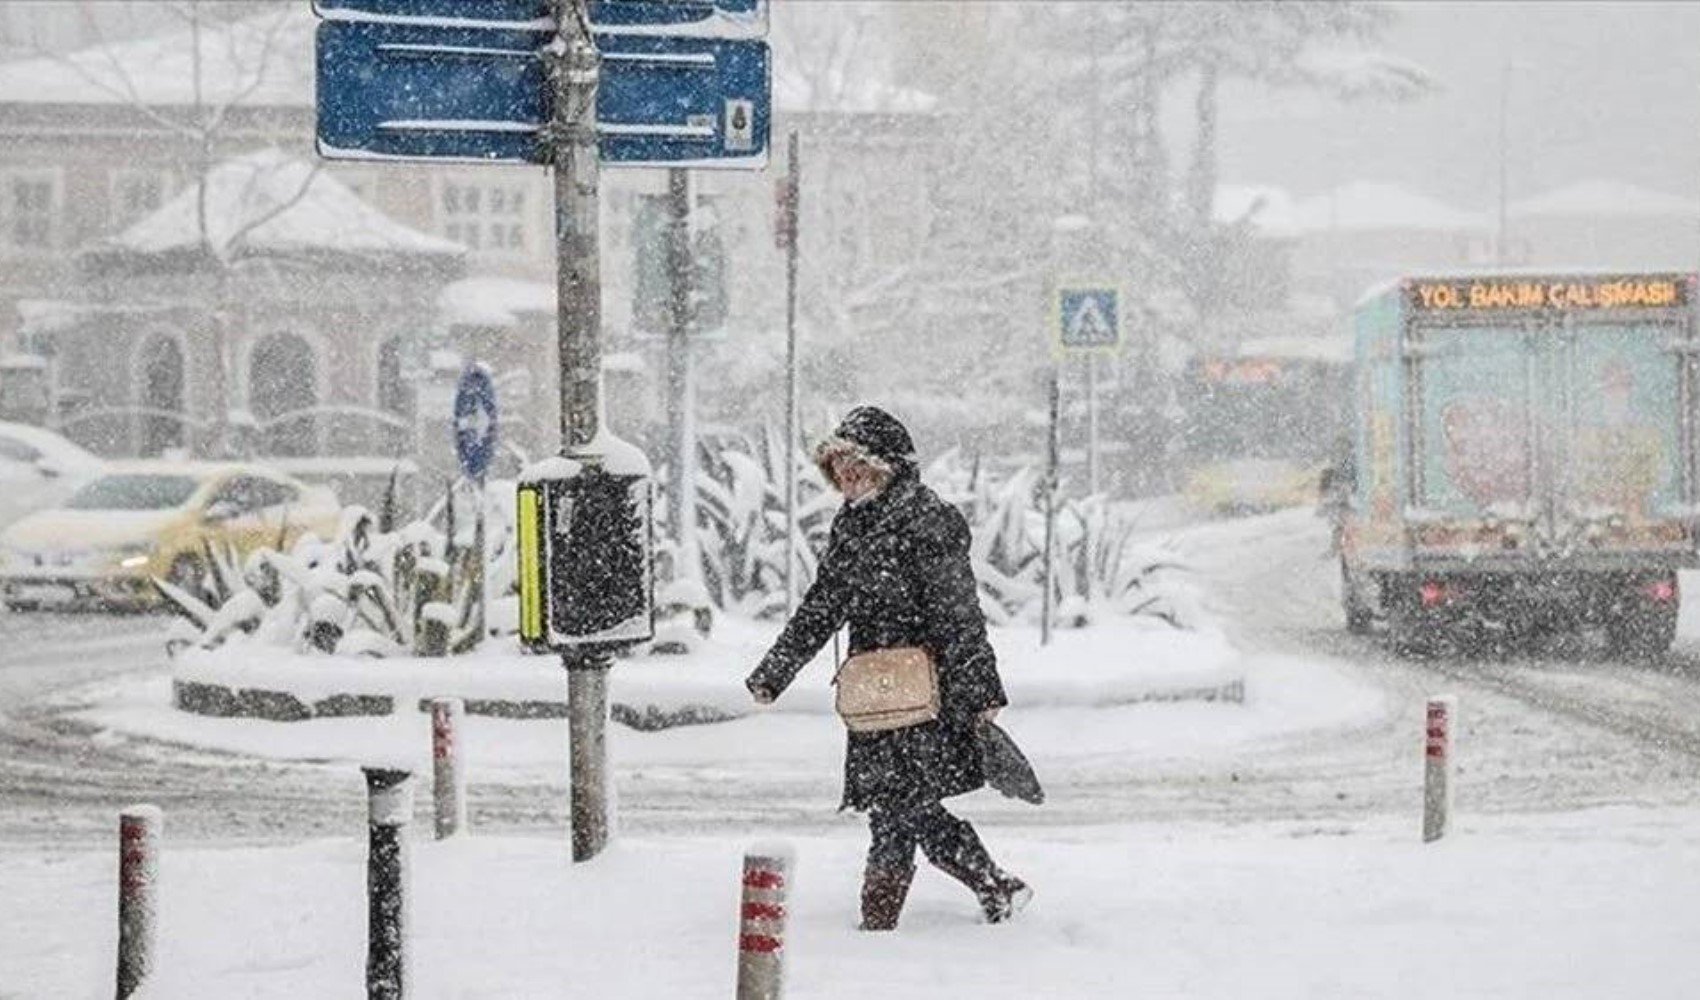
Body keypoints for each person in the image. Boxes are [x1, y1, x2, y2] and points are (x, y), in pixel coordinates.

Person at [744, 406, 1031, 931]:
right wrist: (774, 672)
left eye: (857, 464)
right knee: (897, 805)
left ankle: (884, 923)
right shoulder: (852, 524)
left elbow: (958, 612)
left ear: (887, 465)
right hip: (875, 692)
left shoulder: (927, 519)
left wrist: (980, 689)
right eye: (839, 465)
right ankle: (987, 886)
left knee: (901, 805)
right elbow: (823, 605)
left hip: (926, 690)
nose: (847, 475)